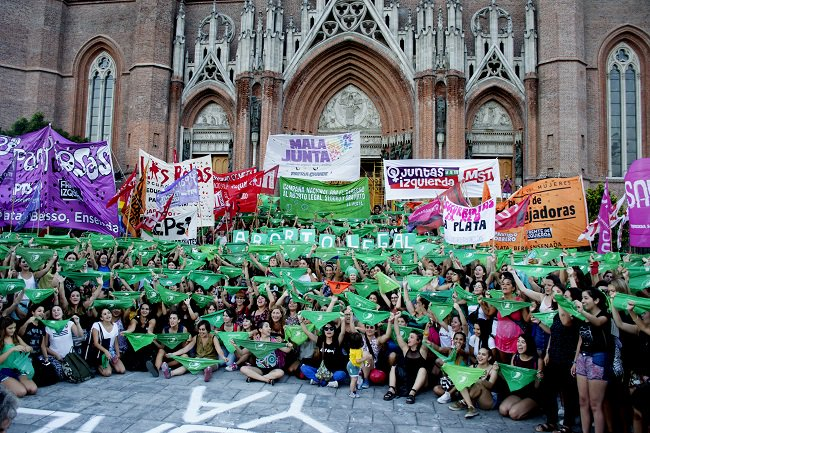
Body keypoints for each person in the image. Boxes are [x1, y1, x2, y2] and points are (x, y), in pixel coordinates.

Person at [571, 288, 613, 433]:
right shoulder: (583, 316)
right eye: (582, 298)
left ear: (596, 300)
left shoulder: (604, 315)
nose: (582, 301)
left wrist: (582, 311)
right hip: (583, 357)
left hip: (598, 358)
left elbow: (597, 322)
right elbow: (581, 339)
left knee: (596, 404)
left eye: (586, 298)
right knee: (583, 401)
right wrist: (575, 361)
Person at [382, 313, 429, 404]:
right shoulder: (405, 349)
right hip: (406, 379)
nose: (408, 339)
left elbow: (426, 337)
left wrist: (427, 327)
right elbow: (398, 334)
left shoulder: (422, 351)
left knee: (423, 370)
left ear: (418, 341)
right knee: (394, 367)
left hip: (418, 380)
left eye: (412, 337)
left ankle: (412, 394)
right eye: (409, 337)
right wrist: (395, 319)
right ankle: (391, 390)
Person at [161, 320, 228, 382]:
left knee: (209, 367)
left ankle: (207, 374)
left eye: (203, 329)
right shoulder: (196, 337)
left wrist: (223, 357)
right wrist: (173, 354)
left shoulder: (213, 337)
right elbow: (185, 349)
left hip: (210, 360)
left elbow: (219, 349)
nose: (201, 331)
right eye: (199, 329)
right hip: (198, 359)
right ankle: (170, 373)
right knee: (187, 365)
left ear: (208, 330)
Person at [498, 334, 542, 421]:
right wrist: (499, 372)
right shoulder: (515, 357)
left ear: (529, 344)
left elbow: (537, 387)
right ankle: (521, 406)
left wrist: (538, 379)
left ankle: (535, 408)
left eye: (523, 342)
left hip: (532, 394)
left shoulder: (537, 361)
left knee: (513, 414)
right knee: (503, 410)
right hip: (518, 392)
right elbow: (512, 380)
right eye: (518, 341)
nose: (519, 344)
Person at [448, 347, 499, 419]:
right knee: (463, 380)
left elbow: (490, 386)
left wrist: (482, 380)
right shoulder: (473, 367)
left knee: (479, 383)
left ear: (489, 358)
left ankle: (463, 401)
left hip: (488, 400)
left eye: (483, 355)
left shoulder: (492, 369)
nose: (480, 356)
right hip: (475, 399)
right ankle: (470, 407)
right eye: (479, 354)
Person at [299, 313, 348, 387]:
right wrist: (301, 321)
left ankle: (319, 380)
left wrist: (343, 320)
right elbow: (307, 332)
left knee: (342, 374)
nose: (329, 331)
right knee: (303, 368)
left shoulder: (337, 341)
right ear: (324, 331)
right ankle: (325, 381)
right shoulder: (320, 340)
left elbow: (342, 333)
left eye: (331, 329)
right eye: (326, 329)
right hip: (320, 370)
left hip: (333, 371)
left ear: (334, 330)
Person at [0, 317, 37, 398]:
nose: (13, 330)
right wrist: (12, 349)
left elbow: (30, 348)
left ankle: (14, 383)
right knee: (21, 392)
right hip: (2, 371)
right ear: (3, 328)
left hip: (17, 369)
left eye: (14, 327)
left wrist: (28, 348)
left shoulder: (15, 337)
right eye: (10, 328)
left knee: (33, 389)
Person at [87, 308, 126, 377]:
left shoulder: (115, 325)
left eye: (108, 313)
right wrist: (105, 351)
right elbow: (95, 343)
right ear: (101, 318)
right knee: (108, 373)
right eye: (104, 314)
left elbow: (115, 341)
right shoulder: (97, 325)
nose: (107, 315)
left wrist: (118, 354)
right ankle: (98, 365)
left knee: (121, 370)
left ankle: (109, 363)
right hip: (101, 351)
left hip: (111, 350)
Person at [347, 331, 366, 398]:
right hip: (353, 366)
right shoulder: (358, 351)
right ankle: (351, 392)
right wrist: (365, 358)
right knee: (354, 379)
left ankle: (354, 391)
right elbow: (358, 360)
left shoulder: (352, 348)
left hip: (351, 365)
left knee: (354, 378)